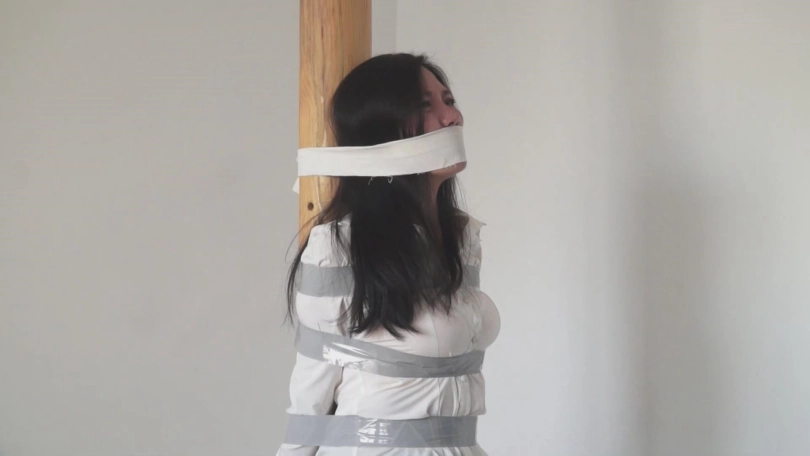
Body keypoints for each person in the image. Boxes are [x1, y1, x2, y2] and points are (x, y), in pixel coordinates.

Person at [278, 53, 500, 456]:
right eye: (426, 106)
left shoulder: (462, 237)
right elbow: (312, 389)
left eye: (449, 100)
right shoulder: (339, 246)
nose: (452, 117)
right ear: (383, 127)